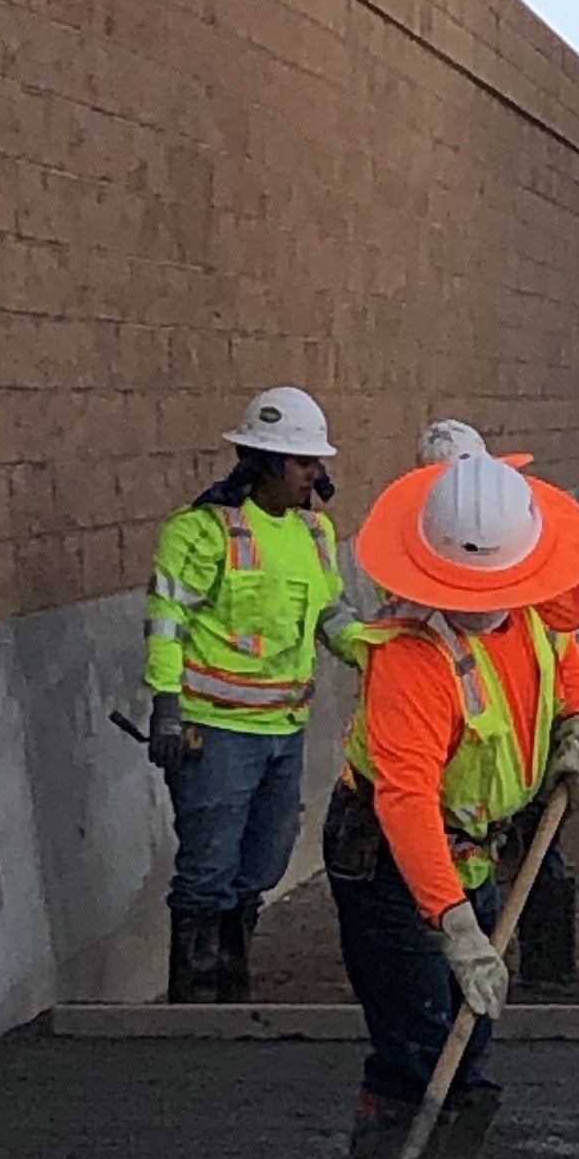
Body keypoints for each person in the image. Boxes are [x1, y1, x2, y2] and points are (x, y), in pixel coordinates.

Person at [324, 452, 579, 1159]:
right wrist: (454, 925)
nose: (487, 599)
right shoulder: (412, 659)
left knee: (468, 1026)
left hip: (473, 848)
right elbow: (405, 799)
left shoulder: (535, 607)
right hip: (391, 860)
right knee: (419, 1032)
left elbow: (564, 658)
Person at [143, 386, 365, 1003]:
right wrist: (166, 706)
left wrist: (379, 656)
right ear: (263, 461)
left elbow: (333, 614)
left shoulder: (316, 533)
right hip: (212, 731)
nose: (315, 475)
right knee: (207, 870)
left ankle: (232, 986)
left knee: (262, 864)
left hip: (283, 730)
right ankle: (196, 1000)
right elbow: (167, 622)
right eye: (303, 463)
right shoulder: (201, 531)